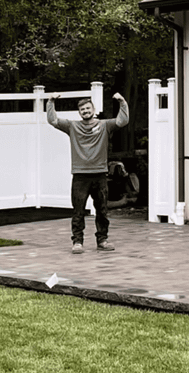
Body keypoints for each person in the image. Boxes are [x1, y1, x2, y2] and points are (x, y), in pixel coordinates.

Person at [46, 92, 129, 253]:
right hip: (80, 176)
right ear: (79, 112)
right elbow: (52, 120)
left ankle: (102, 240)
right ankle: (77, 242)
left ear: (93, 110)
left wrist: (122, 101)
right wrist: (50, 101)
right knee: (78, 211)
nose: (85, 111)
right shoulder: (72, 126)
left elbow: (123, 120)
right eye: (82, 109)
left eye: (87, 108)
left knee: (102, 211)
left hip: (100, 175)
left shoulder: (104, 125)